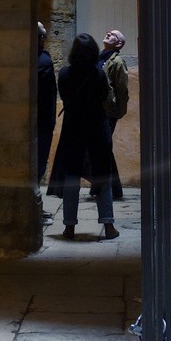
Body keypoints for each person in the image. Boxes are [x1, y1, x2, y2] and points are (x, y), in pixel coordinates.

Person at [50, 34, 118, 240]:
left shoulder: (64, 74)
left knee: (71, 178)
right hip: (97, 128)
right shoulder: (98, 74)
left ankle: (69, 226)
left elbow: (63, 94)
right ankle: (108, 226)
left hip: (73, 129)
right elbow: (105, 96)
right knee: (102, 176)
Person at [97, 29, 129, 202]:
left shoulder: (117, 62)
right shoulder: (101, 57)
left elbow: (122, 89)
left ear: (119, 44)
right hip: (98, 110)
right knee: (103, 149)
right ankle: (110, 188)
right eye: (108, 32)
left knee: (103, 148)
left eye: (113, 35)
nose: (108, 33)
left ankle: (110, 188)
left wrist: (118, 111)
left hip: (108, 111)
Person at [34, 23, 57, 188]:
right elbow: (46, 94)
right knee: (39, 161)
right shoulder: (43, 61)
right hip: (42, 120)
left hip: (38, 119)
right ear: (41, 38)